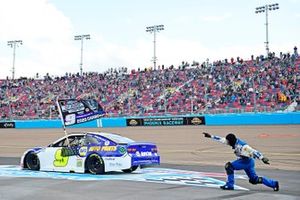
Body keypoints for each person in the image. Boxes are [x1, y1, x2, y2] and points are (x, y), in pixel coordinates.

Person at [202, 132, 279, 191]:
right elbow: (221, 139)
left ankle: (230, 185)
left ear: (231, 141)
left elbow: (253, 151)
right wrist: (210, 136)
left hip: (245, 162)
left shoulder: (242, 146)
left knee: (229, 166)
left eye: (228, 141)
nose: (226, 142)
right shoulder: (233, 142)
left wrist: (262, 158)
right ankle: (274, 184)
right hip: (249, 162)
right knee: (254, 180)